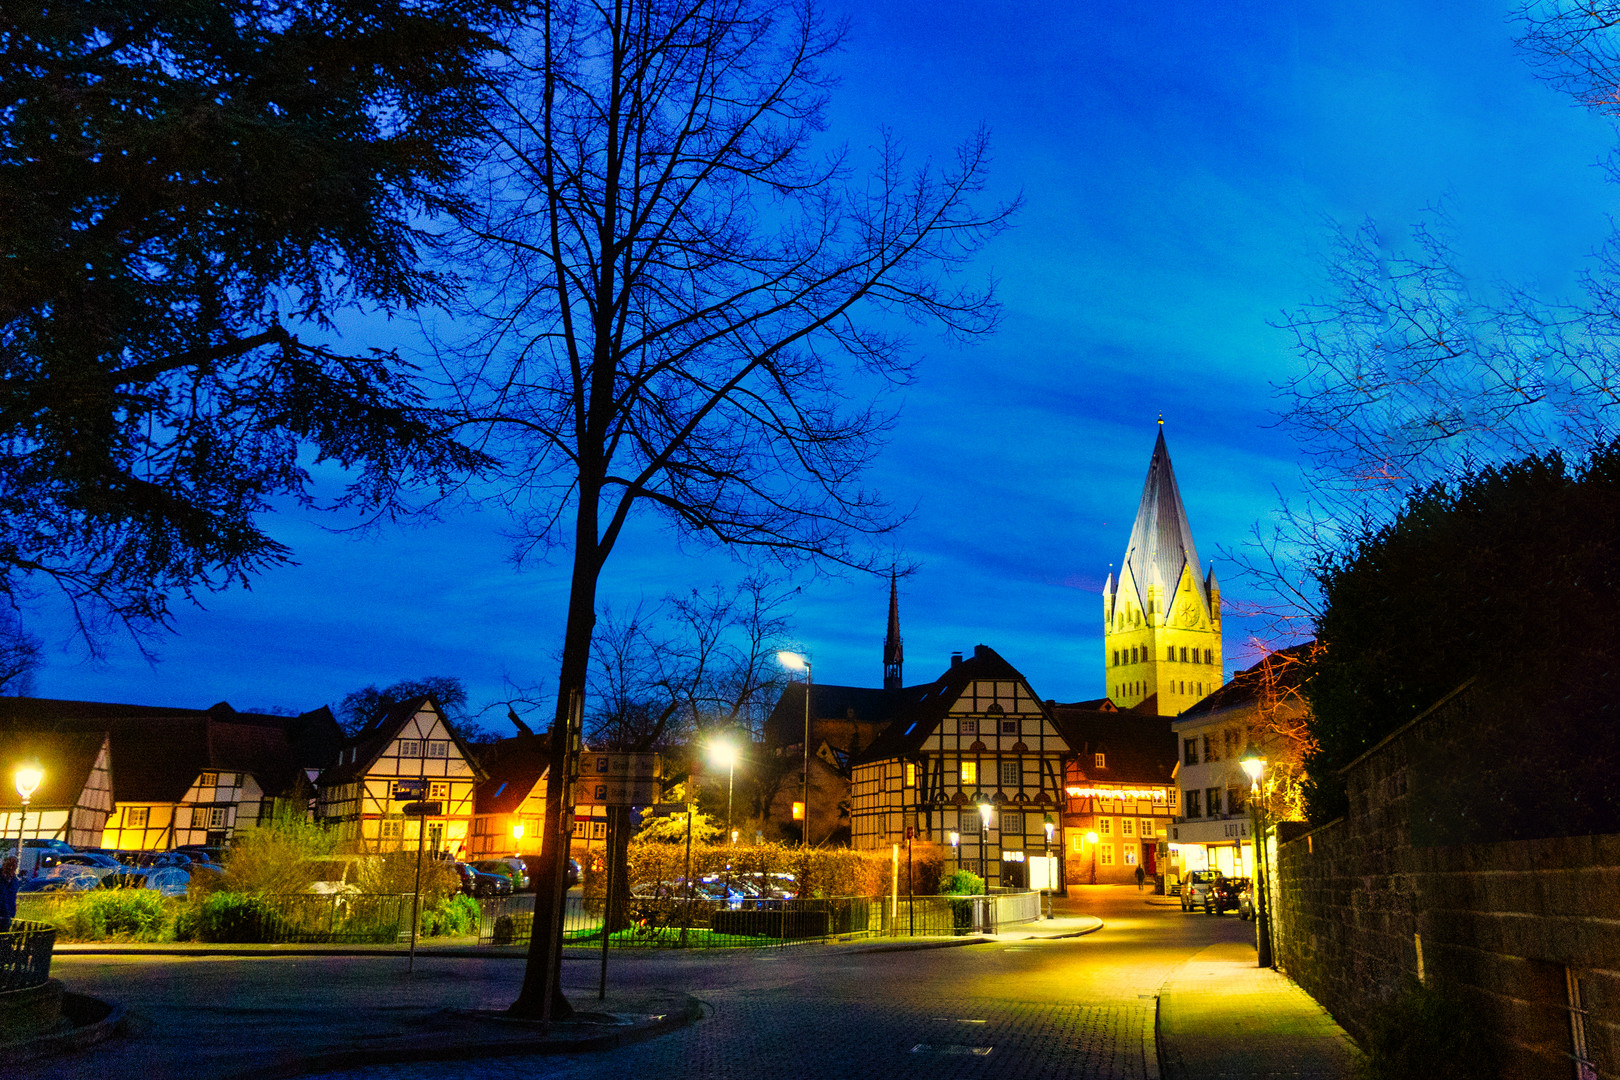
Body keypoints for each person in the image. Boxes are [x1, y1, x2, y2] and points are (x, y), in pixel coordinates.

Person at [0, 856, 19, 932]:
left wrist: (12, 912)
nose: (11, 867)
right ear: (4, 864)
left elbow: (12, 897)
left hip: (7, 915)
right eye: (9, 864)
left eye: (14, 865)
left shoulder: (14, 880)